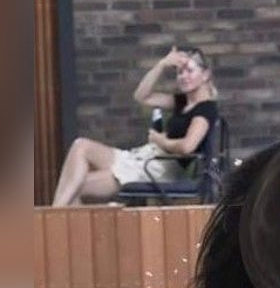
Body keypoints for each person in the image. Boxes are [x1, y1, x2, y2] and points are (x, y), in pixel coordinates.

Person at [50, 46, 219, 206]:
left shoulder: (205, 109)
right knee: (81, 147)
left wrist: (160, 140)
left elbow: (187, 146)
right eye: (180, 72)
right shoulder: (181, 101)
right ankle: (53, 217)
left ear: (205, 75)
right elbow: (142, 96)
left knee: (75, 186)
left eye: (190, 70)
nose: (183, 76)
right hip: (143, 158)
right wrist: (162, 64)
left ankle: (50, 221)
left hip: (159, 168)